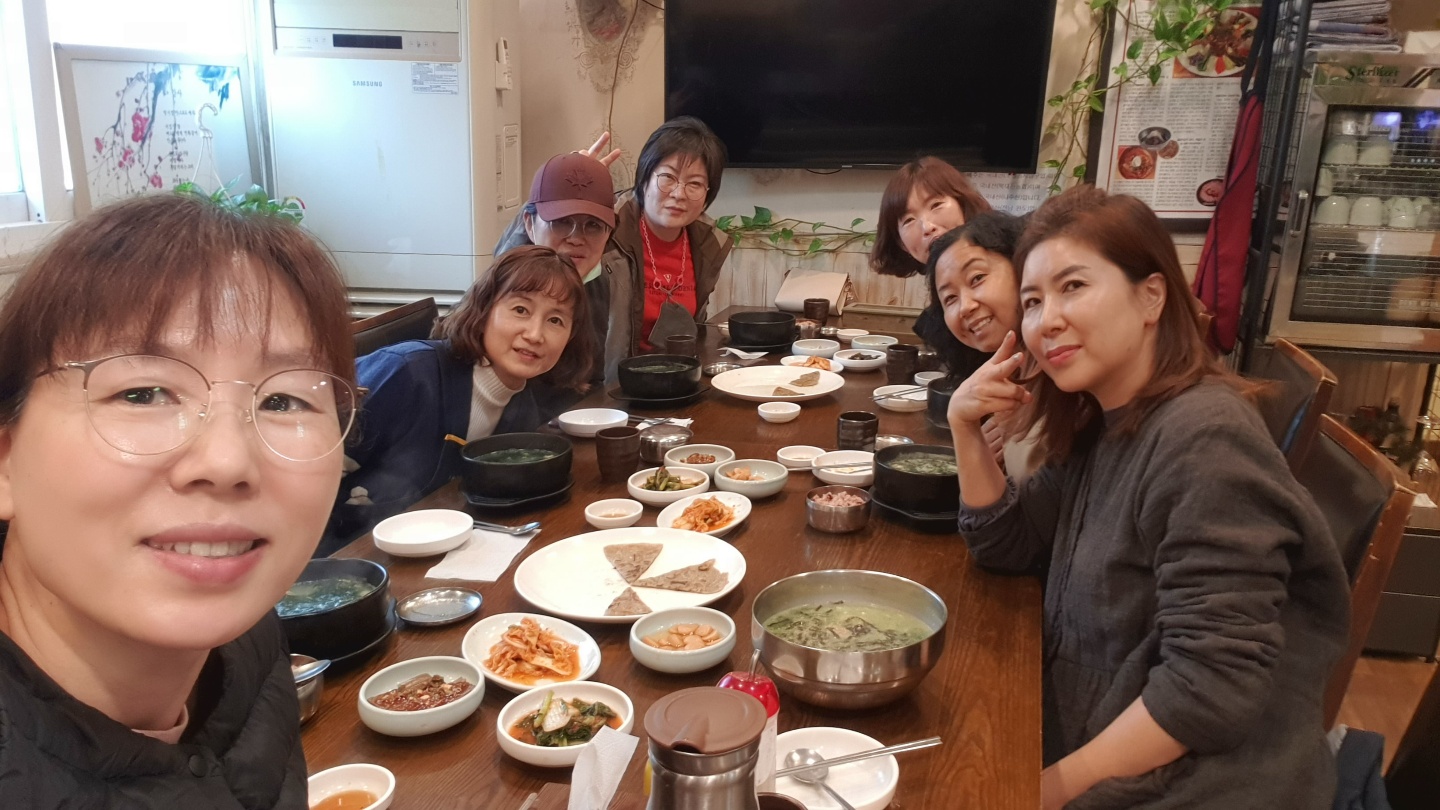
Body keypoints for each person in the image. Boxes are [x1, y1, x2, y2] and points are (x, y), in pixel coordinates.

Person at [949, 186, 1349, 809]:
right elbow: (1010, 547)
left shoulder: (1205, 441)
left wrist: (1035, 792)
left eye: (1073, 286)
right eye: (1032, 301)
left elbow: (1209, 688)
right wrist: (964, 428)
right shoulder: (1102, 418)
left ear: (1151, 297)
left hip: (1192, 784)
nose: (1045, 320)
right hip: (1089, 724)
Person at [0, 194, 358, 805]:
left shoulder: (249, 644)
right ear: (7, 458)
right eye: (142, 393)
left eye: (283, 400)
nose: (227, 461)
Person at [326, 246, 594, 552]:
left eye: (555, 320)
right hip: (341, 557)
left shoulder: (523, 406)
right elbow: (305, 471)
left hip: (433, 553)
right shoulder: (406, 372)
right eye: (521, 310)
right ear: (485, 308)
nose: (535, 334)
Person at [601, 117, 731, 381]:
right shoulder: (605, 228)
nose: (679, 194)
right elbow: (522, 259)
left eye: (695, 184)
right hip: (609, 389)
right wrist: (560, 198)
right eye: (668, 177)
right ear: (644, 178)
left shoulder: (708, 244)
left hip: (674, 383)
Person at [925, 211, 1038, 476]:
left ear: (1021, 266)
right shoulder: (1009, 378)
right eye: (950, 298)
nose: (965, 307)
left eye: (977, 278)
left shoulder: (1064, 382)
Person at [492, 151, 616, 389]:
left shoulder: (595, 283)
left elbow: (589, 380)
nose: (576, 238)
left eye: (593, 225)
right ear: (529, 224)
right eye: (561, 222)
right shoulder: (502, 289)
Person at [870, 156, 994, 371]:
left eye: (936, 205)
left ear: (963, 205)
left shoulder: (1010, 265)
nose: (927, 227)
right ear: (901, 243)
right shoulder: (934, 322)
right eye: (909, 220)